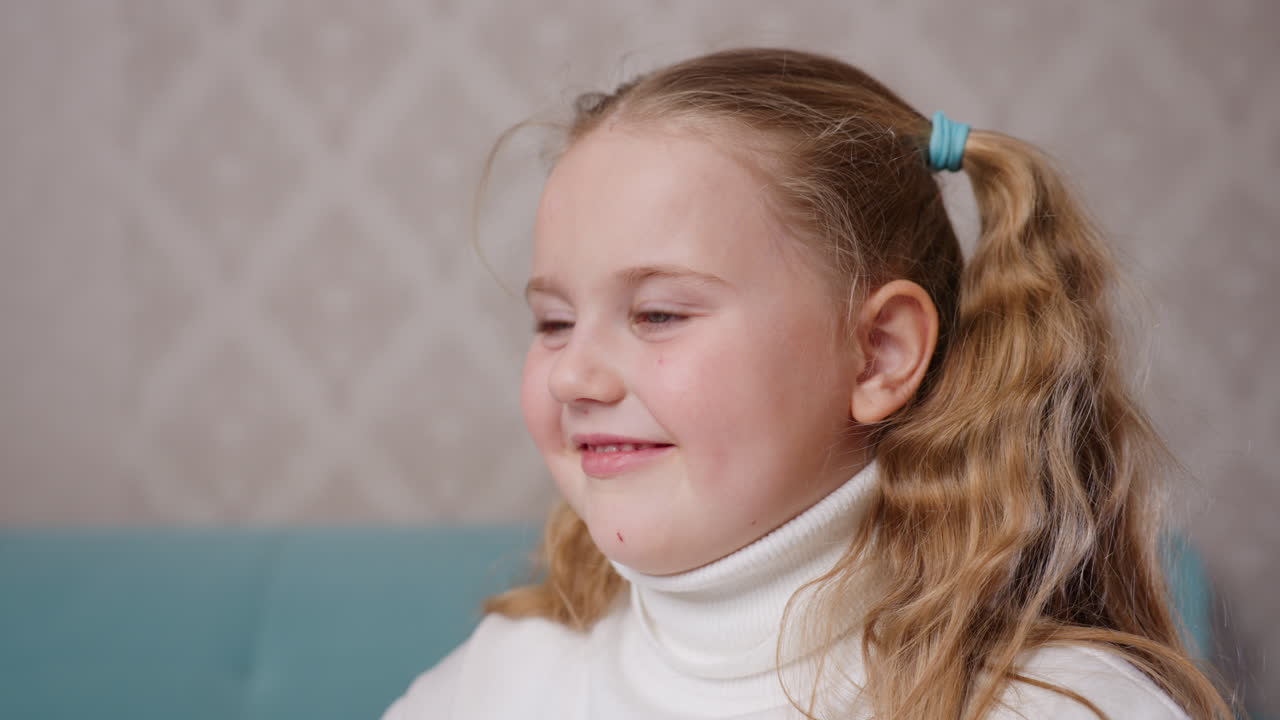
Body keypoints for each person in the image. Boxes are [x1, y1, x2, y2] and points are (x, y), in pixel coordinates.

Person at [382, 47, 1233, 719]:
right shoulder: (504, 677)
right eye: (553, 323)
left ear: (878, 355)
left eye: (660, 314)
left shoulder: (1055, 706)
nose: (571, 371)